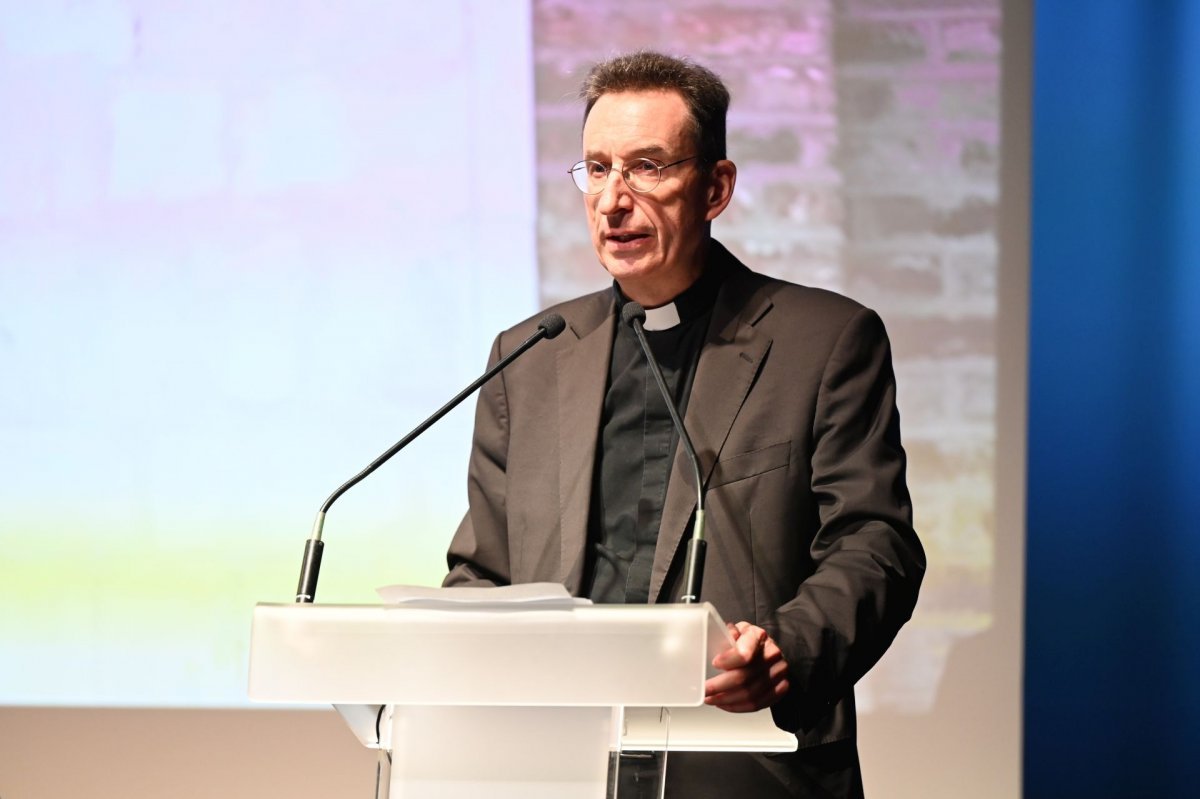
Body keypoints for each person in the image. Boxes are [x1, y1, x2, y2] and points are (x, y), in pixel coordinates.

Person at [444, 51, 924, 798]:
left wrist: (785, 651)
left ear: (716, 188)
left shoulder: (823, 341)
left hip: (745, 767)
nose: (613, 199)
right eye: (597, 169)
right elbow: (482, 572)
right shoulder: (529, 357)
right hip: (554, 769)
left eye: (647, 167)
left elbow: (876, 544)